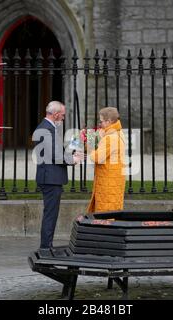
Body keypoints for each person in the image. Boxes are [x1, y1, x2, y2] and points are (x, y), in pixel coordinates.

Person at [32, 101, 82, 254]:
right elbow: (55, 155)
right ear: (55, 114)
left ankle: (47, 244)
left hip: (51, 177)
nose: (64, 118)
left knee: (51, 213)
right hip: (51, 179)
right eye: (63, 114)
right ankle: (46, 246)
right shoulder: (46, 129)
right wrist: (72, 160)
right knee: (50, 214)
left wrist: (75, 146)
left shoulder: (48, 128)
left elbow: (57, 151)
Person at [86, 107, 126, 213]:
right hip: (113, 180)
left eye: (101, 121)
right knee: (114, 211)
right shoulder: (118, 132)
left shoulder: (110, 138)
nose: (99, 124)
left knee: (106, 215)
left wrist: (89, 141)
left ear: (108, 121)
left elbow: (96, 157)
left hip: (108, 182)